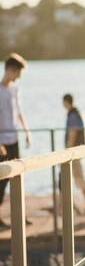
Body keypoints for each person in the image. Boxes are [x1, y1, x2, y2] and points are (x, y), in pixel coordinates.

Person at [0, 53, 32, 230]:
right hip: (2, 142)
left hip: (14, 139)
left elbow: (19, 112)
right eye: (17, 73)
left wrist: (27, 131)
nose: (18, 77)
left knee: (19, 176)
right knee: (1, 180)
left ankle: (20, 214)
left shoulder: (15, 89)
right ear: (9, 70)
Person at [61, 94, 85, 215]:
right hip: (79, 151)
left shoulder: (73, 115)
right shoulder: (79, 113)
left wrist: (67, 152)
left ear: (66, 102)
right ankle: (82, 206)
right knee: (74, 179)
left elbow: (72, 133)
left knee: (78, 179)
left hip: (74, 153)